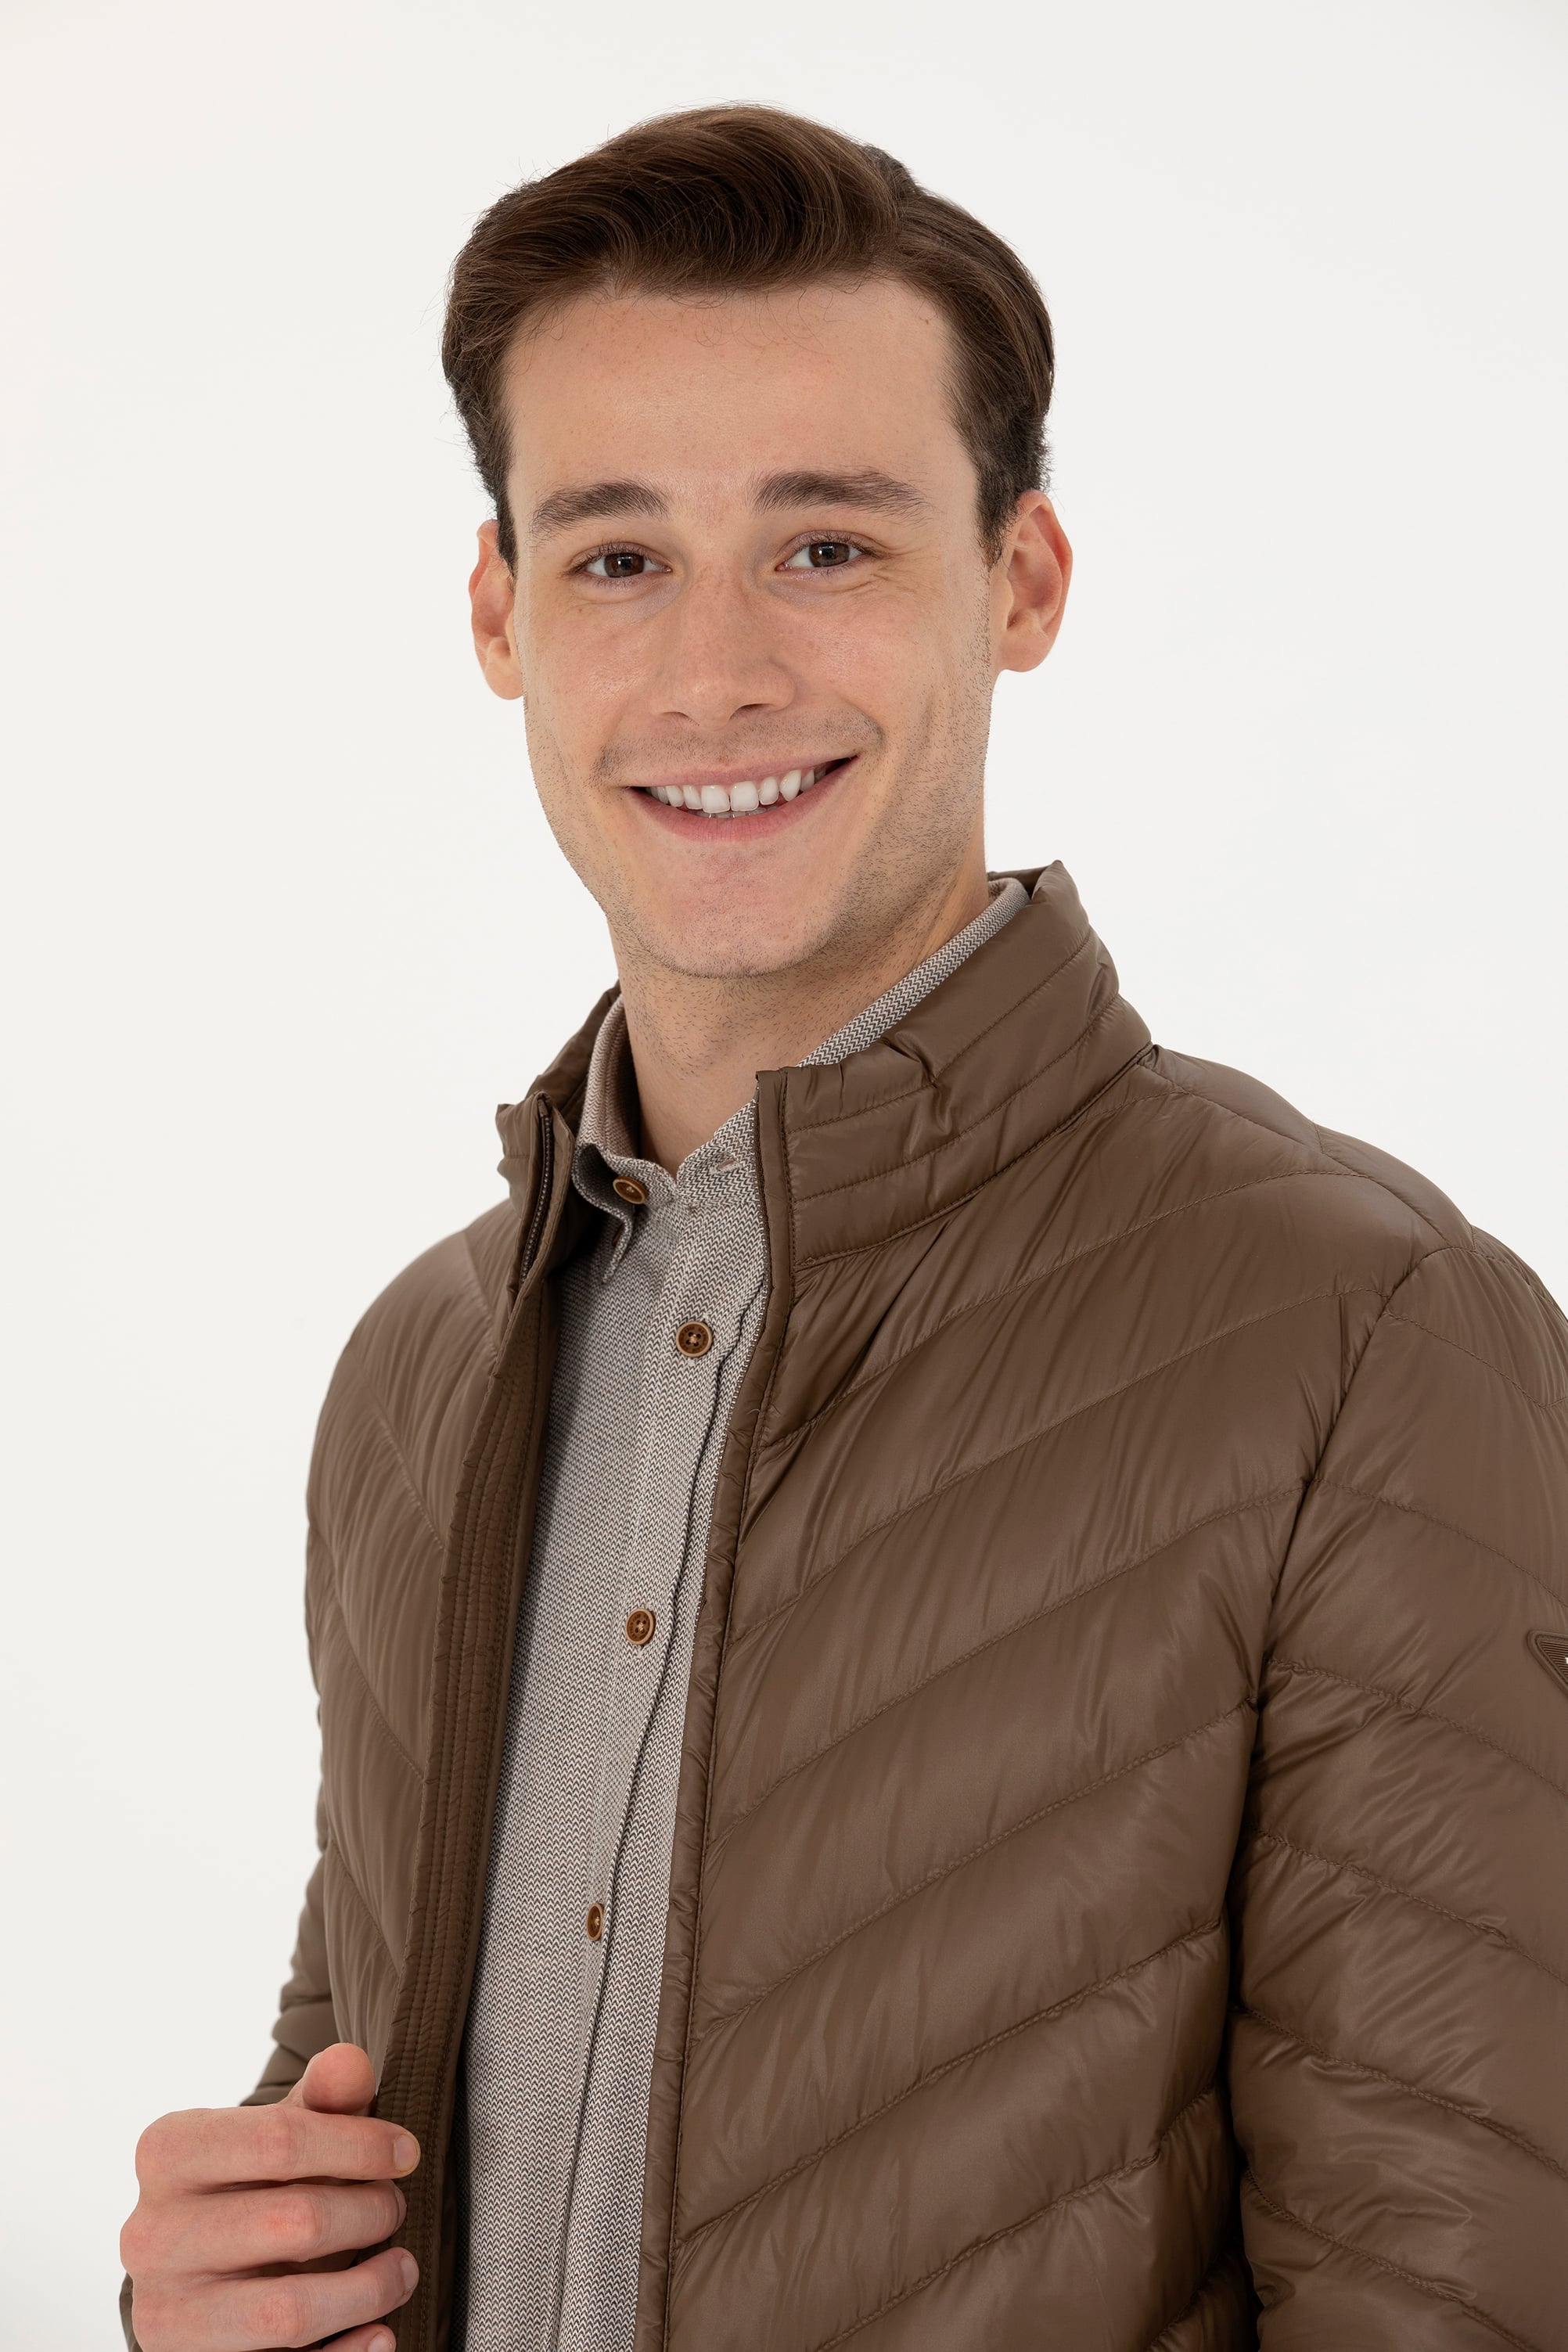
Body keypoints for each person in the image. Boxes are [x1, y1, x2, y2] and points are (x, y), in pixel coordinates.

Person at [120, 103, 1568, 2352]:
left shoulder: (1365, 1330)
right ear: (501, 615)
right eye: (618, 556)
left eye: (825, 545)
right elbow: (361, 2087)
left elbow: (1458, 2289)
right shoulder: (421, 1369)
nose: (715, 673)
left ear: (1022, 581)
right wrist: (227, 2292)